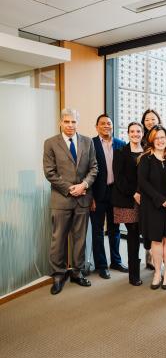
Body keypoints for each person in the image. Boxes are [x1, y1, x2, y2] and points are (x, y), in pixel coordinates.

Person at [43, 108, 97, 295]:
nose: (70, 125)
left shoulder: (87, 141)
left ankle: (77, 271)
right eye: (67, 121)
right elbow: (49, 172)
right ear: (61, 123)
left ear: (77, 123)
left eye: (73, 122)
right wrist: (69, 188)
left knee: (80, 239)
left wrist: (84, 185)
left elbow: (94, 168)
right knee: (58, 239)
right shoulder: (50, 143)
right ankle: (58, 275)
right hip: (62, 199)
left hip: (83, 198)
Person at [138, 125, 166, 290]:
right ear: (151, 140)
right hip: (153, 205)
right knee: (156, 240)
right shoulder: (145, 159)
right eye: (156, 138)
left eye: (162, 137)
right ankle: (157, 273)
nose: (160, 141)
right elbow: (143, 183)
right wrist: (161, 200)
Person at [90, 114, 127, 279]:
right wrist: (90, 196)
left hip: (115, 193)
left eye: (109, 123)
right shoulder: (91, 144)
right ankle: (101, 265)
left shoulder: (121, 144)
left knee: (115, 230)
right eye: (103, 123)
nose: (106, 126)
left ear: (113, 126)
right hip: (97, 194)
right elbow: (85, 170)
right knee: (98, 231)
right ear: (97, 127)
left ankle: (116, 261)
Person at [112, 122, 144, 286]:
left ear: (142, 133)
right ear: (128, 133)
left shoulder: (147, 152)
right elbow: (119, 178)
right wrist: (134, 193)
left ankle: (145, 267)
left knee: (141, 233)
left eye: (138, 131)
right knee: (132, 235)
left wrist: (141, 193)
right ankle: (134, 275)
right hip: (126, 200)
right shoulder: (120, 152)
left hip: (145, 199)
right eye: (132, 131)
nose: (135, 134)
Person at [140, 109, 162, 270]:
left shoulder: (162, 137)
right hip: (144, 188)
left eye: (153, 119)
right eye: (147, 119)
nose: (150, 122)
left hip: (160, 189)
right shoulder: (140, 139)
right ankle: (149, 255)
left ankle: (157, 258)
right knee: (146, 225)